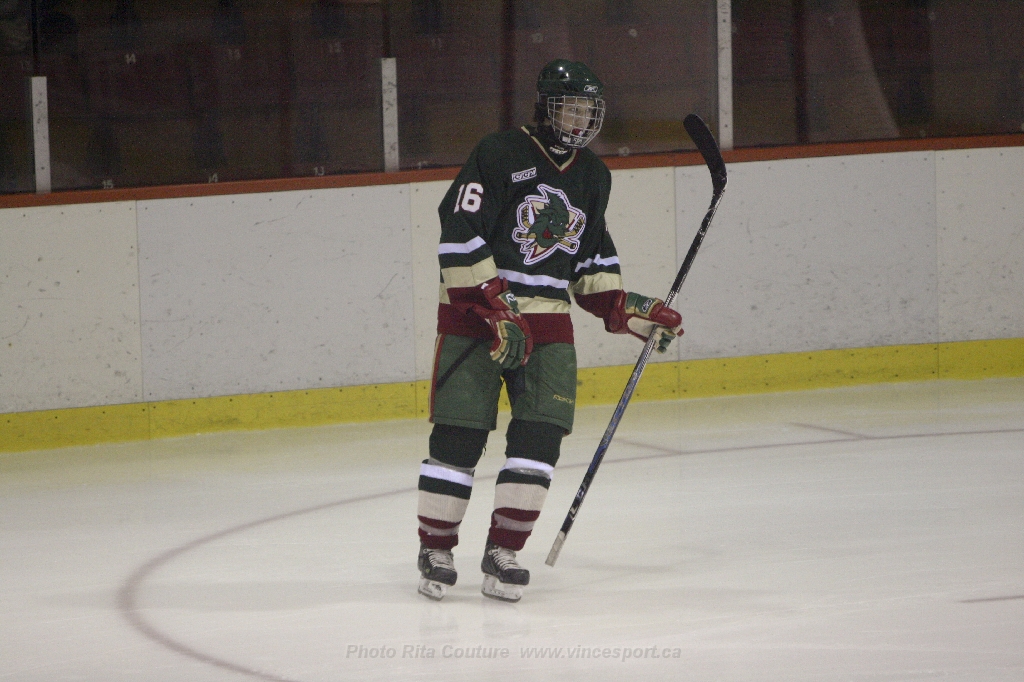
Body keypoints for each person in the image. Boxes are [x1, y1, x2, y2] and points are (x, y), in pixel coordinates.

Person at [416, 59, 683, 603]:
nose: (581, 120)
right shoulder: (498, 153)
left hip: (548, 324)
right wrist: (494, 307)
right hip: (474, 318)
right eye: (571, 108)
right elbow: (459, 230)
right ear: (546, 107)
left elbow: (589, 261)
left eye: (589, 110)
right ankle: (436, 549)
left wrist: (629, 309)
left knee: (539, 440)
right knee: (459, 438)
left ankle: (504, 551)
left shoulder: (594, 176)